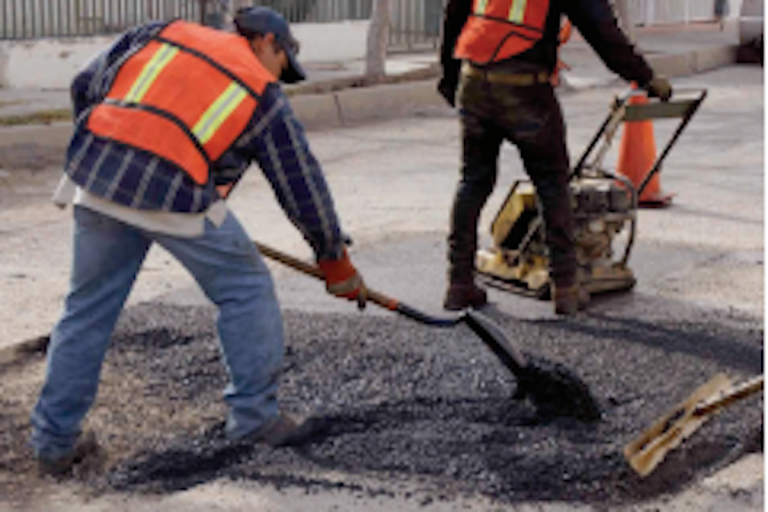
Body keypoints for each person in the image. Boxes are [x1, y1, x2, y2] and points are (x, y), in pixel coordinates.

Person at [30, 7, 367, 476]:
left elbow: (85, 81)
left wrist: (109, 146)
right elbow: (301, 184)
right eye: (282, 63)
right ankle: (255, 419)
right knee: (246, 289)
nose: (280, 76)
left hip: (98, 178)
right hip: (171, 192)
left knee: (86, 310)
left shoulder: (163, 32)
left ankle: (53, 444)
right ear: (267, 42)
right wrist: (334, 260)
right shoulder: (259, 88)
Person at [437, 0, 672, 314]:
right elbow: (600, 28)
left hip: (474, 79)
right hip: (525, 90)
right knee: (552, 183)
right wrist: (645, 76)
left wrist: (450, 76)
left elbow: (455, 12)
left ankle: (459, 283)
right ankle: (566, 287)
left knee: (473, 181)